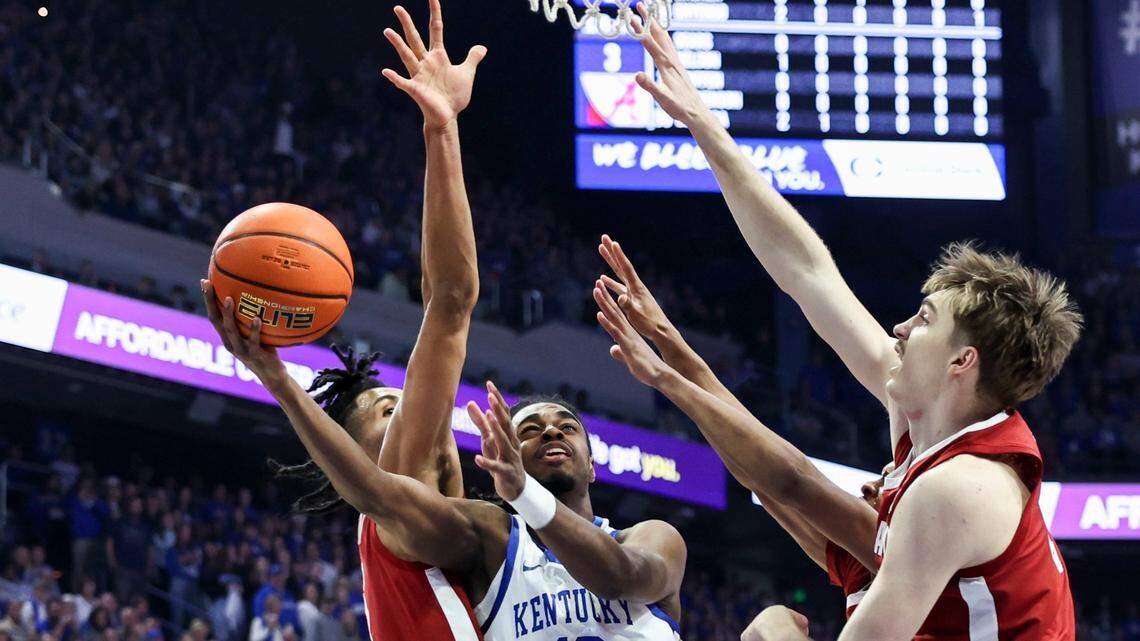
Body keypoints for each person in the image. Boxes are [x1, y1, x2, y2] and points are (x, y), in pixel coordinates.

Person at [629, 9, 1082, 640]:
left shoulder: (960, 487)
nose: (897, 330)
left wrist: (685, 380)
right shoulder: (933, 426)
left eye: (922, 320)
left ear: (962, 361)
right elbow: (807, 272)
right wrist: (705, 126)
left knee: (772, 632)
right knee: (772, 627)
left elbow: (797, 487)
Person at [203, 1, 486, 639]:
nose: (410, 402)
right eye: (387, 411)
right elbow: (448, 301)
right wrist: (441, 131)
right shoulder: (396, 503)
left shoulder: (431, 524)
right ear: (354, 452)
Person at [592, 235, 878, 618]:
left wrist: (664, 377)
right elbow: (760, 477)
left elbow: (792, 479)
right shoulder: (860, 568)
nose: (869, 486)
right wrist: (664, 335)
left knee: (772, 624)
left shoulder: (906, 550)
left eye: (889, 482)